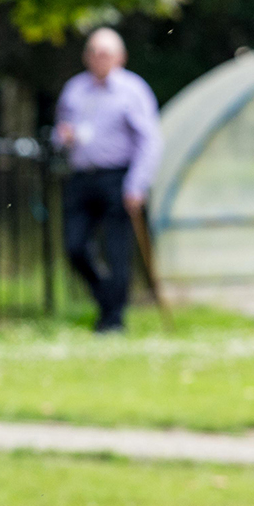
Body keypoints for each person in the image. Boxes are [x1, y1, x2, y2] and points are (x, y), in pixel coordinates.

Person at [54, 26, 163, 333]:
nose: (99, 59)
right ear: (86, 56)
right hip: (82, 177)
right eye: (94, 52)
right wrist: (63, 137)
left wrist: (137, 184)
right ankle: (107, 299)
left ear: (120, 57)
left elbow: (150, 140)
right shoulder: (74, 89)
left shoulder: (132, 90)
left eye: (106, 53)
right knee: (75, 247)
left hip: (118, 178)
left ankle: (113, 321)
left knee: (117, 252)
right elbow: (59, 131)